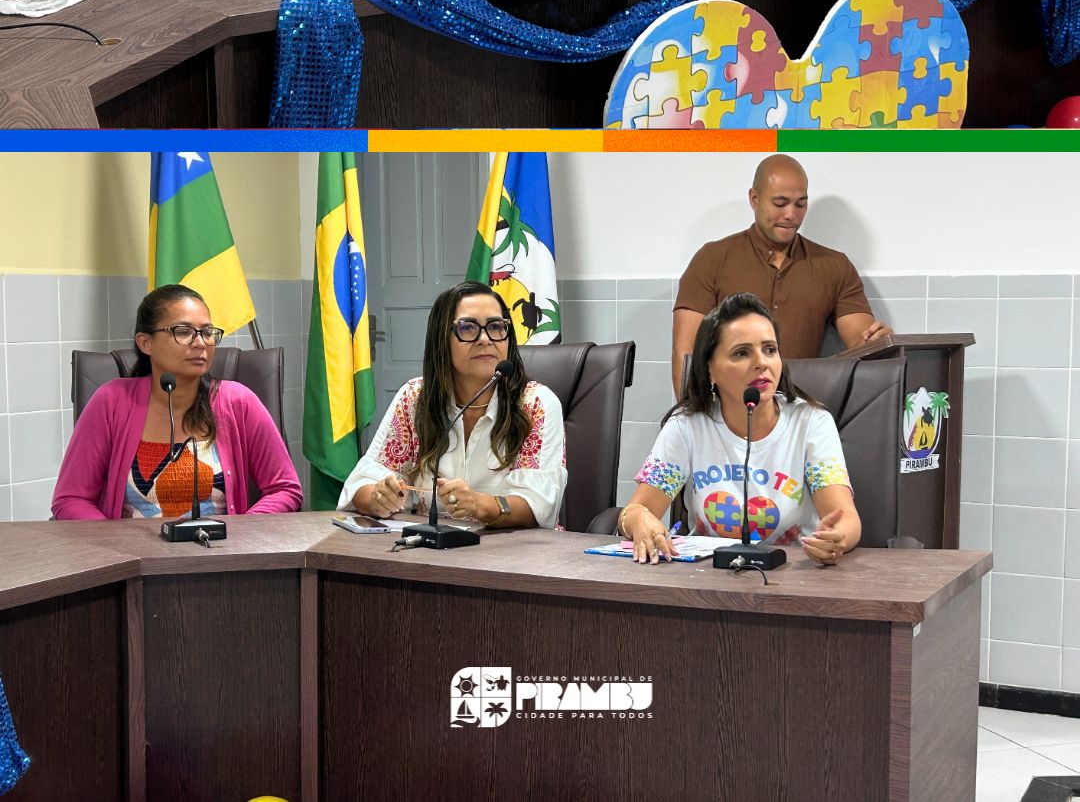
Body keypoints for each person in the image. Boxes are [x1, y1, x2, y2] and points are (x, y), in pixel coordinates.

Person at [622, 293, 861, 565]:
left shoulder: (811, 423)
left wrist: (837, 538)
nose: (762, 362)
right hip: (706, 578)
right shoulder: (687, 426)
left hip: (795, 574)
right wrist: (638, 518)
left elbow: (845, 517)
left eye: (770, 349)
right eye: (742, 353)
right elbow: (636, 510)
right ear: (710, 368)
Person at [52, 284, 302, 519]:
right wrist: (116, 549)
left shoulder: (237, 401)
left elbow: (285, 490)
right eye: (183, 332)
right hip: (133, 560)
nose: (200, 342)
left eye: (207, 332)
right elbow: (71, 499)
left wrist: (240, 535)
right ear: (145, 342)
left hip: (221, 559)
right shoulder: (112, 401)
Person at [338, 281, 566, 528]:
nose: (484, 338)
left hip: (515, 555)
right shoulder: (416, 398)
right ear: (441, 339)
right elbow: (360, 485)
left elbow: (538, 506)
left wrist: (480, 505)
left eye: (496, 327)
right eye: (467, 328)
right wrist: (378, 497)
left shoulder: (535, 405)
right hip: (432, 554)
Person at [671, 154, 889, 395]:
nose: (791, 215)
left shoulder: (835, 266)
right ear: (754, 199)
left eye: (800, 204)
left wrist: (878, 342)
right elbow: (686, 354)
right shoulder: (712, 259)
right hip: (727, 413)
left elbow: (862, 345)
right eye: (780, 203)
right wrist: (696, 418)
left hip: (802, 412)